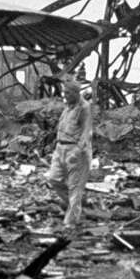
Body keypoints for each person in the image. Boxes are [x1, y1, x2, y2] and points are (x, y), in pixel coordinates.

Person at [46, 78, 94, 231]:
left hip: (76, 151)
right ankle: (76, 206)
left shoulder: (84, 108)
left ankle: (70, 223)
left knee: (75, 188)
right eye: (64, 91)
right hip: (60, 149)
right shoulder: (67, 107)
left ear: (75, 92)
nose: (64, 95)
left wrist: (78, 150)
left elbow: (87, 132)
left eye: (67, 92)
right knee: (53, 179)